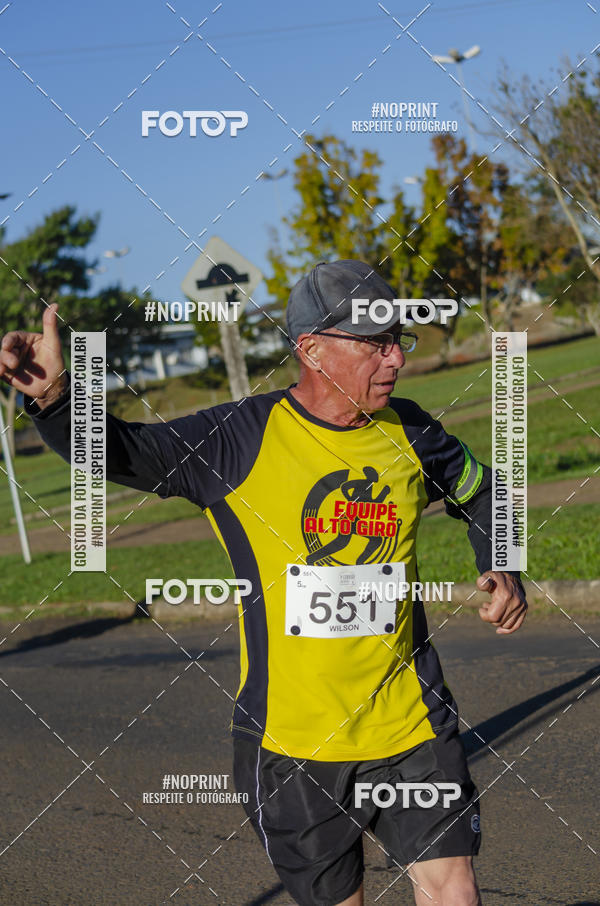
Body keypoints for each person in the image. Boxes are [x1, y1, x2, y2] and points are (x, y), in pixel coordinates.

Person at [0, 260, 527, 906]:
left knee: (453, 887)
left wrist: (501, 562)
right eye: (375, 341)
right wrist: (55, 401)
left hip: (410, 725)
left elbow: (486, 489)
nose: (396, 358)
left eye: (399, 339)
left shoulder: (411, 432)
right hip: (292, 746)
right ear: (311, 349)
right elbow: (124, 449)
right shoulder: (236, 441)